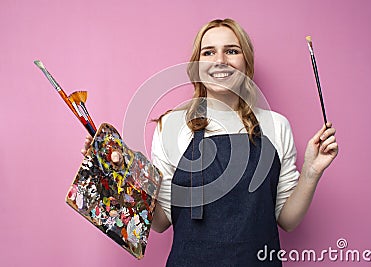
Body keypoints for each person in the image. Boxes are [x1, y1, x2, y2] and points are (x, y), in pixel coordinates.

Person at [82, 18, 338, 266]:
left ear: (246, 63)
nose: (220, 61)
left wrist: (311, 171)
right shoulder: (171, 126)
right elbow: (161, 222)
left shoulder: (276, 126)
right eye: (208, 52)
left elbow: (288, 220)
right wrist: (120, 169)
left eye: (231, 51)